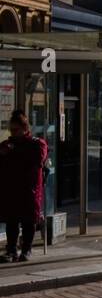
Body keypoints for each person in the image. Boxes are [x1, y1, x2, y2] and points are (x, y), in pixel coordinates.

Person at [0, 110, 48, 263]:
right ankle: (12, 250)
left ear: (25, 128)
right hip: (12, 188)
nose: (13, 133)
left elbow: (37, 159)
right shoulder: (8, 144)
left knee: (29, 220)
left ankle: (26, 249)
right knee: (11, 219)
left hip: (30, 188)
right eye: (11, 130)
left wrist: (13, 152)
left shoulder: (36, 143)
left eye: (16, 130)